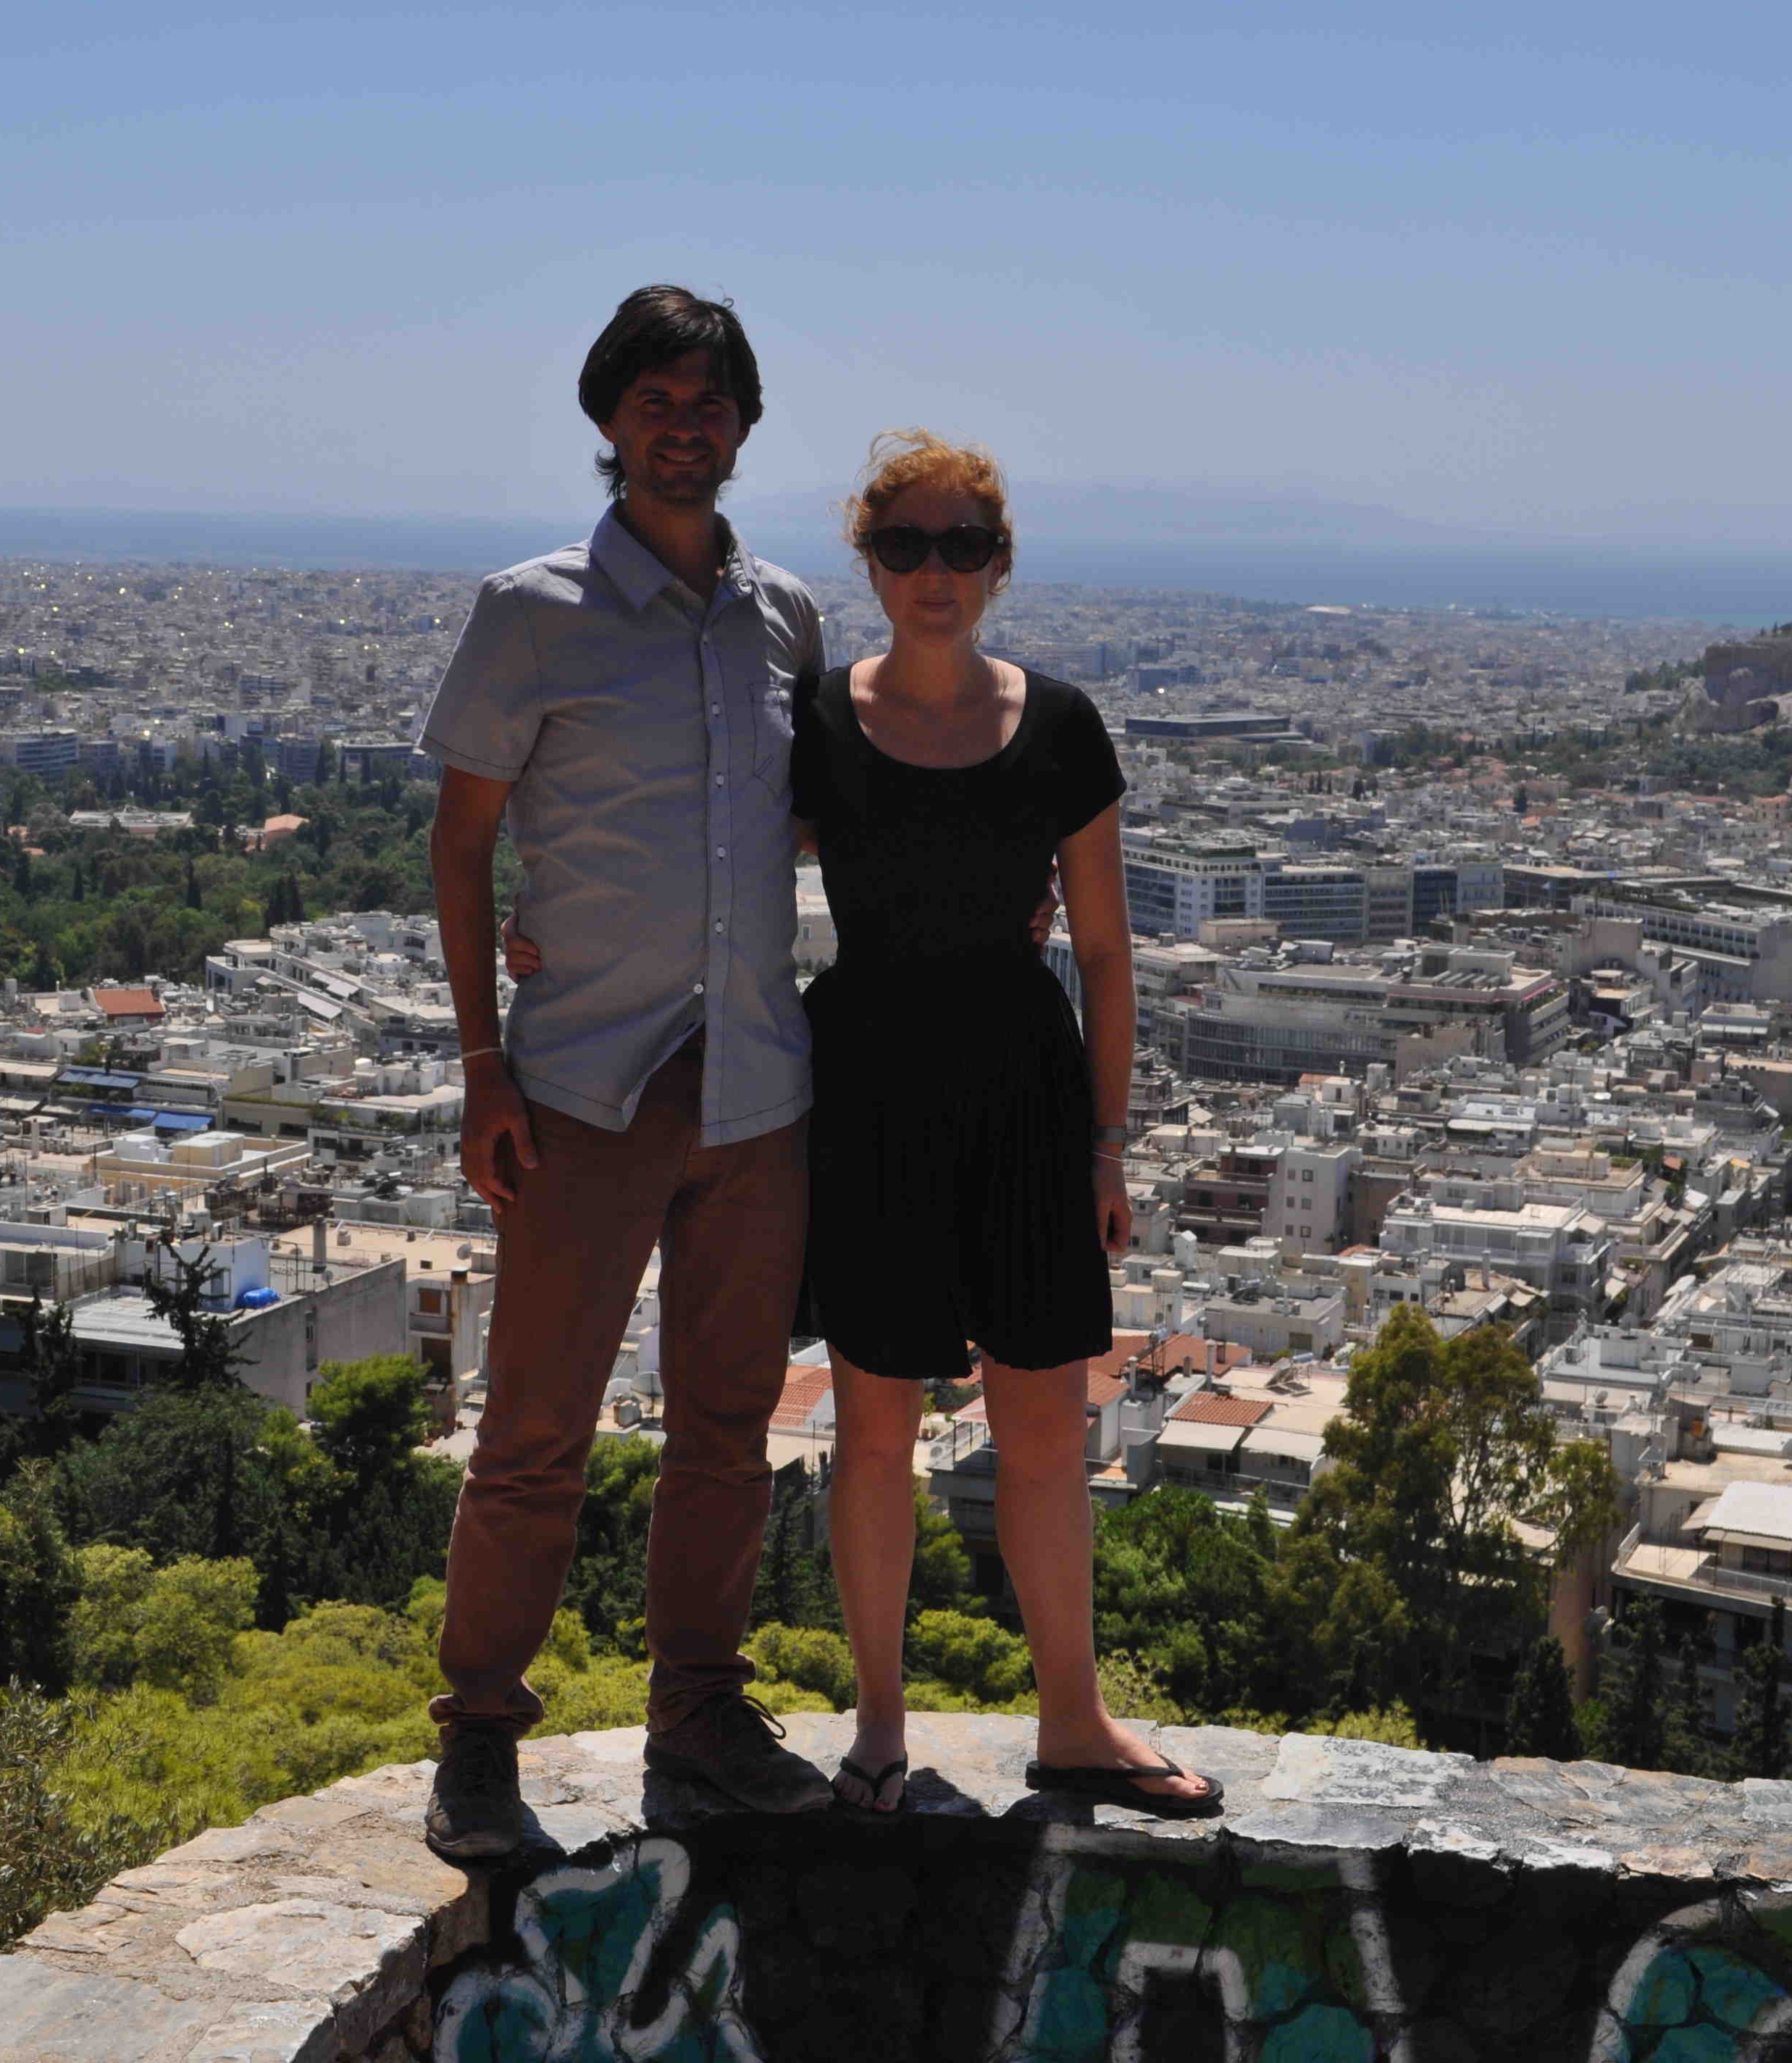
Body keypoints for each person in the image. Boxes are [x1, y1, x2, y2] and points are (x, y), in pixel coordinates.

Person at [511, 431, 1221, 1818]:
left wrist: (1108, 1145)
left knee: (1042, 1428)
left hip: (1024, 1091)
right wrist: (552, 923)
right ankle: (880, 1728)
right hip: (871, 1091)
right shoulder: (823, 722)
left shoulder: (1062, 726)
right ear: (870, 561)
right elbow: (702, 853)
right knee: (877, 1426)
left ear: (1001, 563)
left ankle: (1074, 1721)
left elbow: (1107, 949)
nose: (934, 571)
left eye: (963, 546)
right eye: (906, 545)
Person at [415, 285, 834, 1862]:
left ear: (744, 424)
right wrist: (481, 1065)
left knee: (728, 1422)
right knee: (536, 1428)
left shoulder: (784, 617)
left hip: (756, 1083)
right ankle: (478, 1733)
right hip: (586, 1079)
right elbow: (462, 842)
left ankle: (700, 1711)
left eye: (710, 401)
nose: (685, 425)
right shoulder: (531, 611)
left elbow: (803, 821)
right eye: (657, 399)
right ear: (607, 418)